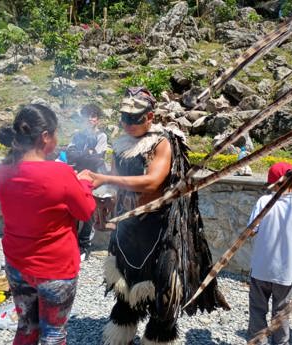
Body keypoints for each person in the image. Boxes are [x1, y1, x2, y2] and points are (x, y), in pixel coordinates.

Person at [86, 87, 229, 345]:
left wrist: (104, 178)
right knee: (125, 288)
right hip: (128, 228)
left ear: (150, 116)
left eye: (136, 119)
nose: (129, 124)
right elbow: (119, 184)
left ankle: (157, 338)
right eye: (125, 119)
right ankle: (122, 334)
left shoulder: (163, 141)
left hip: (159, 230)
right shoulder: (120, 146)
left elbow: (153, 182)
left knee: (163, 292)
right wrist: (107, 204)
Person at [0, 104, 96, 344]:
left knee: (26, 327)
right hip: (55, 268)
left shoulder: (3, 171)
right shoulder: (60, 173)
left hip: (17, 264)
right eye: (55, 134)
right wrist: (84, 184)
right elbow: (85, 211)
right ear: (44, 137)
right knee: (53, 333)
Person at [247, 162, 292, 345]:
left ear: (272, 182)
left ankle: (258, 342)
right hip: (286, 272)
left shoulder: (263, 202)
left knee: (257, 309)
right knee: (281, 312)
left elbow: (251, 230)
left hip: (261, 268)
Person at [67, 103, 108, 261]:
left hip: (93, 177)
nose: (90, 119)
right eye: (87, 116)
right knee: (73, 210)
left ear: (97, 119)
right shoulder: (77, 135)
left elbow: (97, 159)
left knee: (89, 212)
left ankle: (84, 246)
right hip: (77, 175)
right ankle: (72, 244)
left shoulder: (101, 136)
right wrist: (87, 153)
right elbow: (70, 156)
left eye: (93, 116)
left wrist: (80, 154)